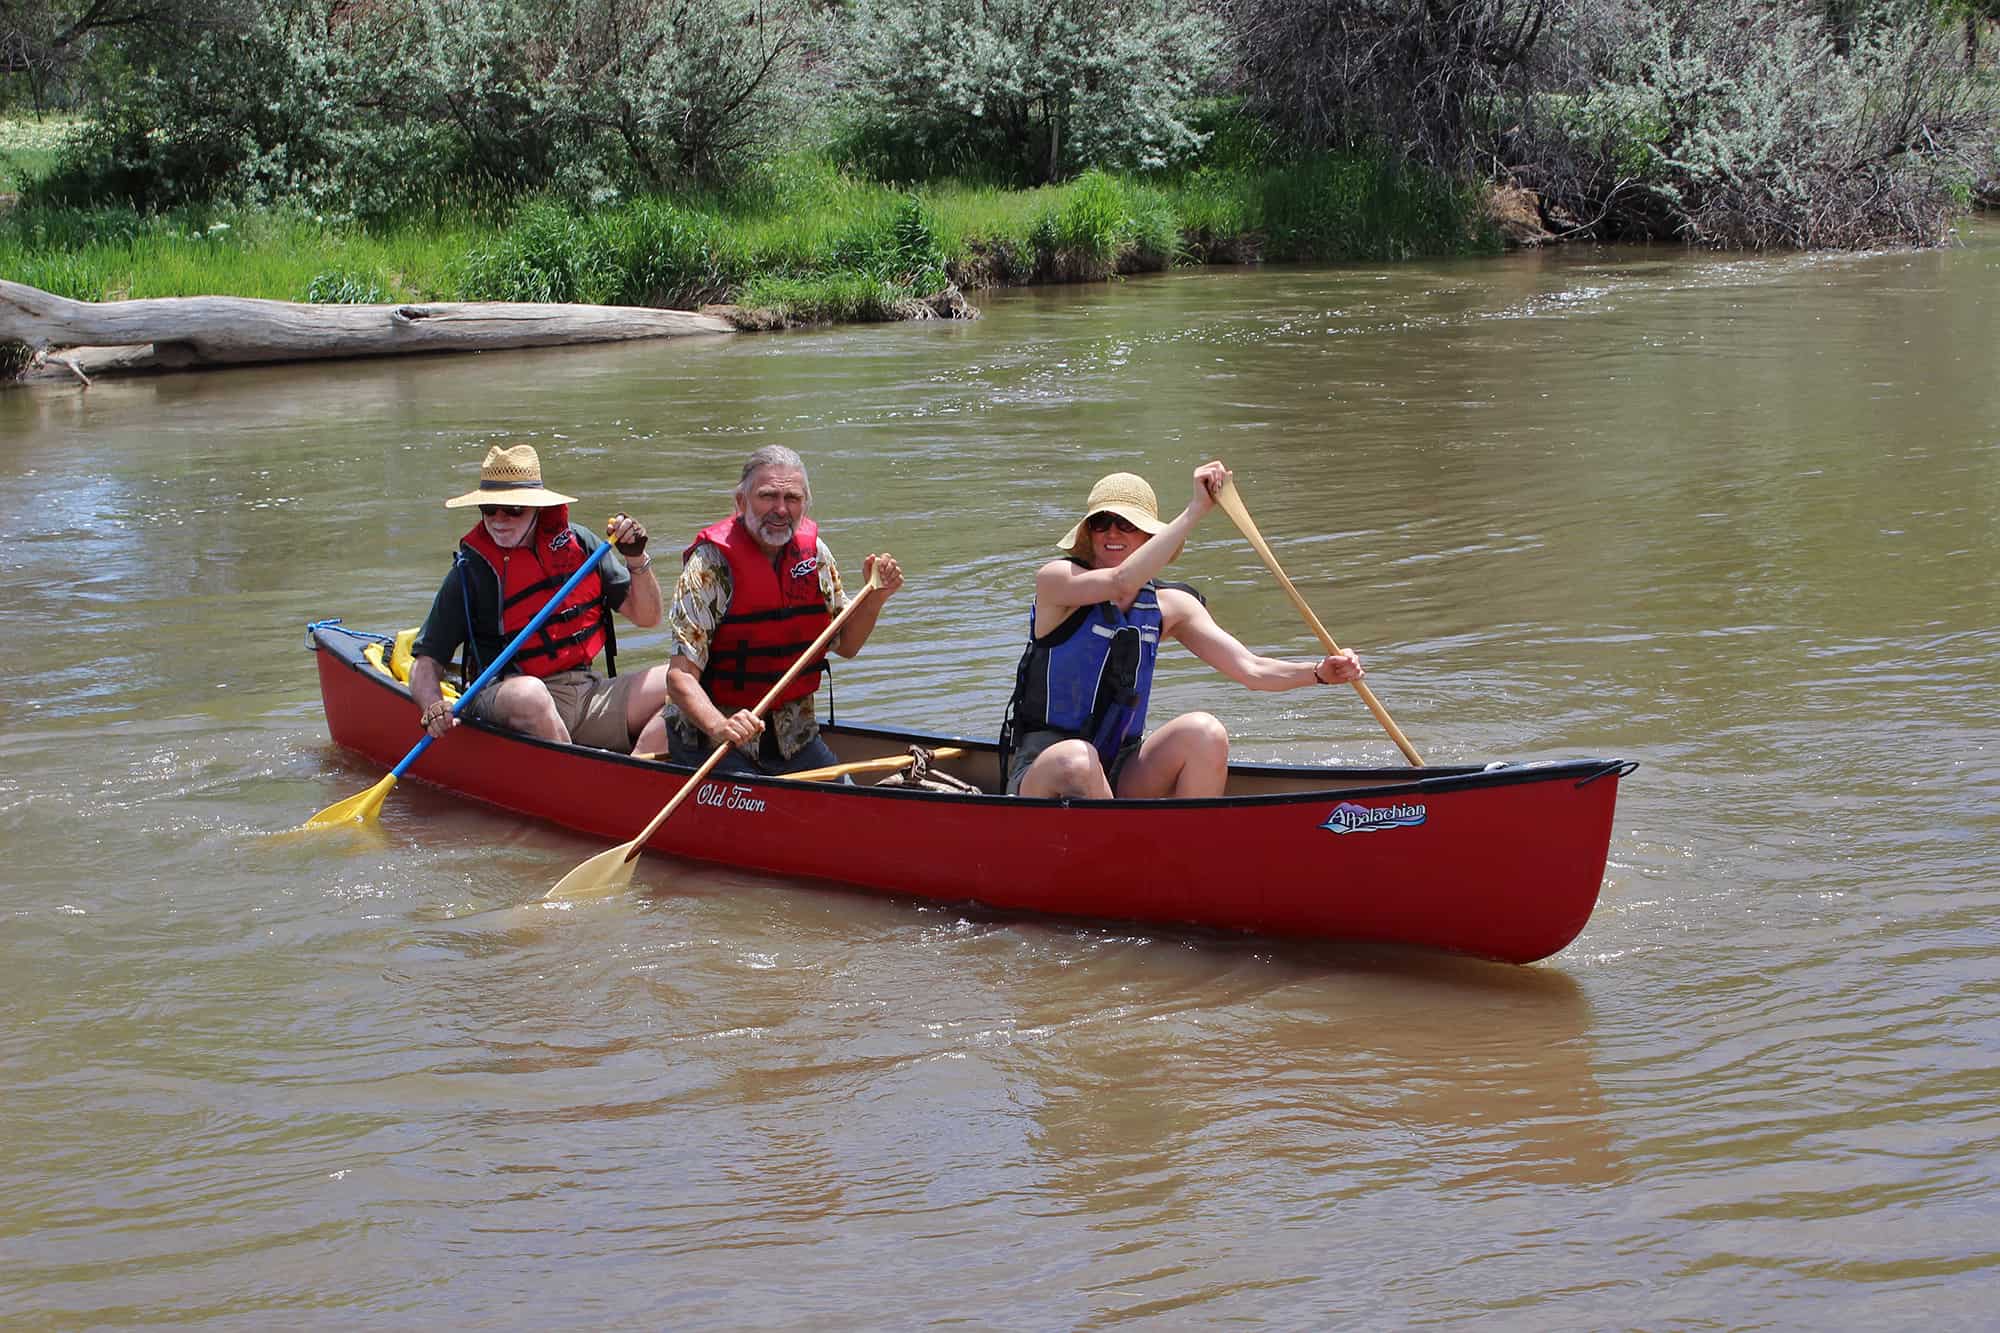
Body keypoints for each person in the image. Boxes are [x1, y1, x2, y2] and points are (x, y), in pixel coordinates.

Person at [1002, 460, 1365, 800]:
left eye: (1127, 523)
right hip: (1046, 767)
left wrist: (1318, 673)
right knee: (1077, 760)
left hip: (1120, 765)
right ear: (1089, 532)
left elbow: (1252, 670)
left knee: (1204, 733)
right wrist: (1196, 509)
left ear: (1148, 536)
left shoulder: (1170, 607)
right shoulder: (1056, 581)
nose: (1113, 532)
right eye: (1102, 522)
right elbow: (1120, 581)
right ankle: (1128, 851)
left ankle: (1187, 851)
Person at [650, 445, 904, 774]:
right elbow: (680, 677)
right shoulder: (709, 566)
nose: (781, 510)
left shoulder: (815, 555)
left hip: (795, 737)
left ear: (805, 505)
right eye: (768, 496)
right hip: (715, 742)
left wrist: (875, 599)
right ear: (741, 502)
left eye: (792, 499)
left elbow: (848, 646)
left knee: (839, 807)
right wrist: (719, 725)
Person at [408, 443, 668, 753]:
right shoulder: (471, 571)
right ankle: (579, 779)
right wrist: (433, 705)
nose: (499, 519)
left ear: (537, 509)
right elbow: (425, 663)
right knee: (531, 695)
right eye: (489, 509)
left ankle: (639, 772)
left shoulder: (581, 545)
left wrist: (636, 560)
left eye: (513, 509)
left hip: (585, 692)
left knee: (682, 678)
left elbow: (648, 617)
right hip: (507, 696)